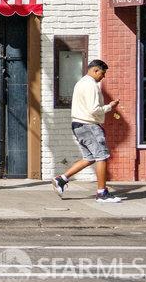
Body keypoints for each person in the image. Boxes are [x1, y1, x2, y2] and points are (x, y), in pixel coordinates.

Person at [52, 59, 122, 203]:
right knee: (102, 157)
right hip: (89, 125)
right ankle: (102, 193)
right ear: (95, 70)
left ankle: (62, 179)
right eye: (103, 73)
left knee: (89, 157)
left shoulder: (81, 83)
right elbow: (93, 109)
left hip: (78, 125)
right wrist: (110, 107)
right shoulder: (91, 85)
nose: (104, 77)